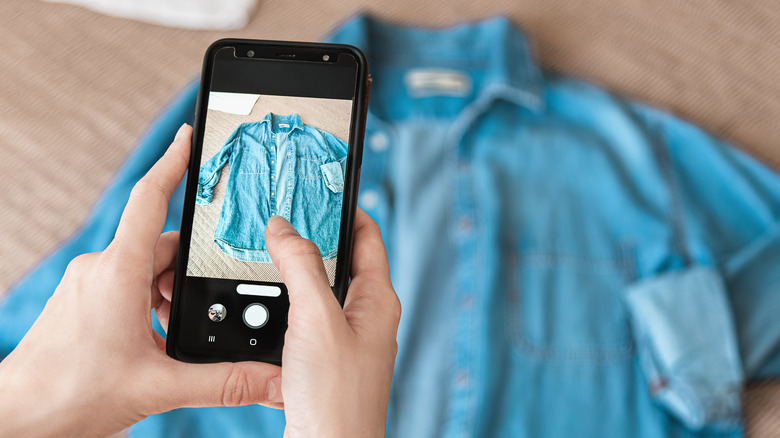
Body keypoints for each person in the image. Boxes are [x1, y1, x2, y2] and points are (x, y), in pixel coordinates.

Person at [0, 124, 402, 437]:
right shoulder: (246, 131)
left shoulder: (315, 135)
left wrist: (26, 407)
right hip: (243, 236)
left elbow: (339, 161)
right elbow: (211, 163)